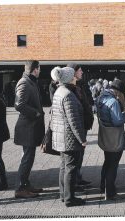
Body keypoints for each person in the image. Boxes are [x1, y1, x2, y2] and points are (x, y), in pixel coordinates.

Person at [51, 66, 87, 207]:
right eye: (73, 76)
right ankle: (70, 198)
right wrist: (82, 139)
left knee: (64, 167)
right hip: (69, 138)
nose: (75, 78)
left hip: (60, 136)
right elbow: (74, 121)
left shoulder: (59, 92)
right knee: (71, 167)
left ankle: (63, 195)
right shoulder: (68, 95)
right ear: (69, 78)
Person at [14, 60, 45, 198]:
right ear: (35, 69)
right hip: (27, 128)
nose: (40, 71)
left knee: (29, 157)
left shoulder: (30, 82)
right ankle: (20, 188)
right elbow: (19, 105)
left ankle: (26, 184)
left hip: (31, 127)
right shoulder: (24, 82)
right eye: (39, 68)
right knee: (27, 158)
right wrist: (36, 113)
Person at [96, 79, 125, 200]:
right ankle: (110, 191)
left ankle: (102, 185)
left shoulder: (100, 98)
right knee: (113, 165)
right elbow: (118, 121)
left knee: (107, 162)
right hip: (114, 137)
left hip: (105, 135)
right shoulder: (113, 101)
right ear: (118, 91)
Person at [67, 63, 94, 189]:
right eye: (80, 71)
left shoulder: (81, 85)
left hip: (84, 124)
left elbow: (88, 100)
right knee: (74, 156)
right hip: (76, 125)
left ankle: (78, 178)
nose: (82, 73)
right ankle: (73, 183)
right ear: (74, 72)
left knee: (80, 154)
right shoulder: (70, 88)